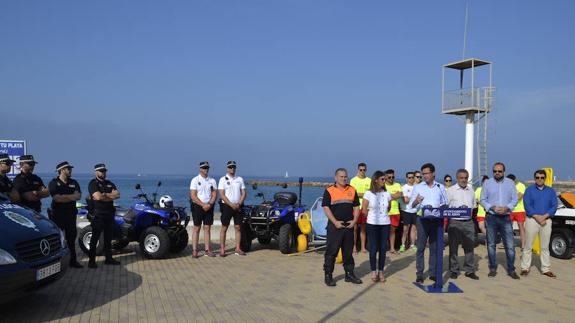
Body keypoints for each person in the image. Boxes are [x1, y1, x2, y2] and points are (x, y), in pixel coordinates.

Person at [323, 168, 362, 286]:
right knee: (331, 252)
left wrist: (354, 221)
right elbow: (326, 208)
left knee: (348, 253)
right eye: (341, 177)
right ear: (336, 178)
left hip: (348, 226)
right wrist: (335, 222)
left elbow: (356, 207)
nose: (344, 178)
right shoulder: (329, 191)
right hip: (335, 227)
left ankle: (349, 274)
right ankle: (328, 275)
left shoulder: (352, 189)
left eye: (345, 176)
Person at [409, 163, 447, 283]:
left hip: (436, 221)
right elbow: (412, 205)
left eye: (426, 173)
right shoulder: (418, 187)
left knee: (434, 248)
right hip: (422, 220)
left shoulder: (440, 187)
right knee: (420, 247)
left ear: (433, 173)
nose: (424, 176)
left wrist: (441, 208)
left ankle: (432, 273)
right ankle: (419, 274)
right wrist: (416, 201)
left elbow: (445, 203)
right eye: (423, 174)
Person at [480, 162, 519, 279]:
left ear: (504, 172)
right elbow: (482, 199)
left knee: (510, 245)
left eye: (499, 171)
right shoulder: (487, 183)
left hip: (506, 217)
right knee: (491, 245)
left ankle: (511, 269)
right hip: (491, 217)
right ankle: (492, 268)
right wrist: (492, 207)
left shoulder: (510, 183)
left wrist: (507, 207)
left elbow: (515, 199)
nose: (497, 173)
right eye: (495, 171)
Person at [521, 170, 558, 278]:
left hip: (546, 220)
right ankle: (525, 268)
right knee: (528, 246)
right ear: (534, 178)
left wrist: (545, 216)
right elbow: (527, 205)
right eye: (537, 177)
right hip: (532, 219)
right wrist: (537, 217)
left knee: (545, 246)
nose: (539, 179)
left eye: (542, 177)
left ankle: (546, 269)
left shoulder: (551, 191)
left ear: (545, 178)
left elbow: (554, 206)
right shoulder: (529, 190)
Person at [48, 161, 83, 268]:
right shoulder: (53, 183)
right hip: (58, 215)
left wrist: (64, 197)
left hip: (71, 215)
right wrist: (70, 196)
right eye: (68, 169)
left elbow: (78, 196)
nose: (70, 170)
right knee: (57, 240)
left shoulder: (74, 182)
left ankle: (73, 261)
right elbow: (56, 198)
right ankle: (55, 263)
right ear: (62, 170)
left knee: (71, 239)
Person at [447, 169, 479, 280]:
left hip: (468, 222)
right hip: (455, 222)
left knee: (469, 247)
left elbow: (474, 206)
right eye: (461, 178)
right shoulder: (450, 190)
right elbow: (446, 207)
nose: (464, 180)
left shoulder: (471, 190)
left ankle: (469, 270)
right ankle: (454, 270)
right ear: (457, 178)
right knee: (453, 247)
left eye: (466, 178)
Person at [88, 163, 121, 268]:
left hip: (109, 214)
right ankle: (91, 261)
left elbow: (118, 195)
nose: (103, 172)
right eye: (101, 171)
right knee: (95, 239)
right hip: (98, 215)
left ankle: (108, 258)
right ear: (96, 172)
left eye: (104, 171)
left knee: (108, 238)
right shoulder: (93, 184)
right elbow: (97, 197)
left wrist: (105, 195)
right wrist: (109, 196)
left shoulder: (110, 183)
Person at [362, 171, 392, 283]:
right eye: (383, 179)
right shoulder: (368, 193)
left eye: (385, 179)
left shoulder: (387, 193)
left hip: (385, 224)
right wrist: (371, 217)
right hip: (372, 224)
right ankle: (373, 271)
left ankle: (381, 271)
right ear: (376, 180)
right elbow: (364, 210)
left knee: (383, 248)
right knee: (373, 248)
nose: (385, 181)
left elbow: (388, 208)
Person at [218, 161, 247, 256]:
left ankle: (238, 248)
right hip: (227, 206)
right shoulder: (222, 179)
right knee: (224, 227)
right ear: (227, 168)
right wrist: (231, 204)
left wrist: (239, 203)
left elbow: (244, 193)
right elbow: (222, 195)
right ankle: (222, 249)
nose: (232, 169)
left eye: (233, 167)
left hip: (238, 206)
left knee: (238, 227)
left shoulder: (240, 179)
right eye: (230, 167)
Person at [190, 161, 218, 258]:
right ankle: (194, 250)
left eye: (207, 168)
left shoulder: (212, 181)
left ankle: (207, 249)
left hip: (209, 207)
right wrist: (203, 205)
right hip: (198, 207)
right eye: (204, 168)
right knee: (196, 228)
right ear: (200, 169)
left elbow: (215, 194)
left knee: (207, 228)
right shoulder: (195, 180)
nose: (206, 169)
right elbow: (193, 196)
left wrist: (210, 204)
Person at [350, 162, 371, 253]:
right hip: (355, 207)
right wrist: (363, 194)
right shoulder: (353, 180)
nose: (362, 171)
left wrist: (360, 194)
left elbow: (370, 193)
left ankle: (363, 247)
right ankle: (354, 246)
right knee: (354, 228)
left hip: (366, 207)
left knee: (363, 228)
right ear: (358, 170)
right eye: (360, 170)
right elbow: (352, 194)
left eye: (364, 170)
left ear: (366, 170)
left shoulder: (369, 180)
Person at [384, 169, 402, 254]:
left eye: (393, 177)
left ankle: (392, 248)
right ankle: (383, 247)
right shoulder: (382, 185)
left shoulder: (397, 184)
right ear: (385, 177)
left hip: (395, 211)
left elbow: (400, 194)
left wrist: (387, 196)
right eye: (389, 177)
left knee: (392, 231)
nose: (391, 178)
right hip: (384, 211)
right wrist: (393, 195)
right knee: (383, 231)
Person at [507, 174, 526, 250]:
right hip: (510, 210)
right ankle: (509, 244)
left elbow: (519, 197)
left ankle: (523, 245)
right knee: (508, 228)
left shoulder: (521, 186)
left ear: (515, 180)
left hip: (520, 210)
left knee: (521, 227)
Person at [400, 171, 417, 252]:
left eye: (412, 177)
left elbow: (420, 199)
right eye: (409, 177)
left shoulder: (417, 187)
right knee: (405, 229)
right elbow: (405, 201)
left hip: (415, 211)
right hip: (406, 210)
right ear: (406, 178)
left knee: (414, 229)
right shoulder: (403, 188)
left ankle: (412, 245)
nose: (411, 179)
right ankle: (402, 245)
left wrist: (411, 199)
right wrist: (414, 199)